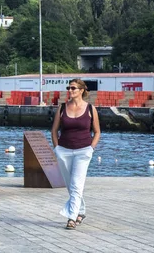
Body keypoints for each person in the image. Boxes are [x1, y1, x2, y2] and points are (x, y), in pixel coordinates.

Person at [51, 78, 101, 230]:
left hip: (83, 151)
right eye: (69, 88)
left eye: (73, 88)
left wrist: (91, 148)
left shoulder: (91, 109)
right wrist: (57, 148)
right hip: (63, 151)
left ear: (81, 90)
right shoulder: (62, 108)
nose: (70, 91)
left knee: (76, 185)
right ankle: (81, 211)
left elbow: (97, 132)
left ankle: (71, 218)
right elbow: (54, 131)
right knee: (70, 186)